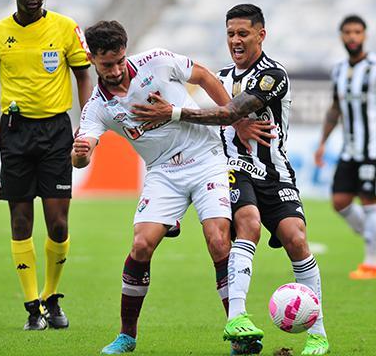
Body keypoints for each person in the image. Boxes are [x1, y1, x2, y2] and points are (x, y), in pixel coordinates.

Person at [133, 4, 330, 356]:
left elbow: (230, 112)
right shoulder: (219, 78)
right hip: (231, 169)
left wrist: (174, 111)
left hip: (273, 171)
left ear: (261, 35)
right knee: (249, 223)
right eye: (230, 34)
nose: (236, 41)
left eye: (243, 33)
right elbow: (208, 117)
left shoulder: (273, 75)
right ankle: (236, 317)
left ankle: (318, 333)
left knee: (296, 239)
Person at [74, 20, 270, 355]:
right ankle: (127, 336)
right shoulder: (97, 106)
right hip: (163, 172)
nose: (117, 69)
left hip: (206, 157)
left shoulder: (157, 61)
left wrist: (234, 119)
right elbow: (83, 152)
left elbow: (205, 76)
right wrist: (80, 154)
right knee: (141, 246)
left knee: (219, 238)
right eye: (108, 64)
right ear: (92, 59)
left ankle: (238, 328)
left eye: (120, 59)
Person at [0, 0, 92, 330]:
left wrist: (89, 122)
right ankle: (32, 306)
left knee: (59, 223)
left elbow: (84, 75)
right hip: (15, 132)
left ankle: (52, 296)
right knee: (20, 219)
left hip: (56, 131)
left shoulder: (66, 28)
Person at [313, 14, 376, 280]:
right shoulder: (338, 70)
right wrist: (322, 142)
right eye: (347, 32)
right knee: (340, 202)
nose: (352, 37)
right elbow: (335, 109)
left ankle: (371, 262)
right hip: (349, 149)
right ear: (341, 36)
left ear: (365, 35)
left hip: (375, 149)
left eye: (357, 32)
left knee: (369, 202)